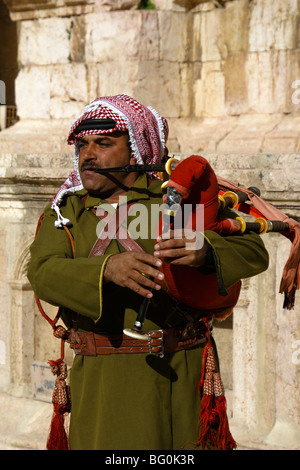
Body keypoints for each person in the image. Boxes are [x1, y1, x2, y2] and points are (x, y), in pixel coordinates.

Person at [27, 95, 269, 451]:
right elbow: (42, 271)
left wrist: (204, 252)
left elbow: (253, 250)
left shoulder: (178, 200)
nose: (87, 154)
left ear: (138, 150)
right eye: (81, 145)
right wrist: (106, 269)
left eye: (103, 143)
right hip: (103, 387)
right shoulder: (66, 211)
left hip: (183, 375)